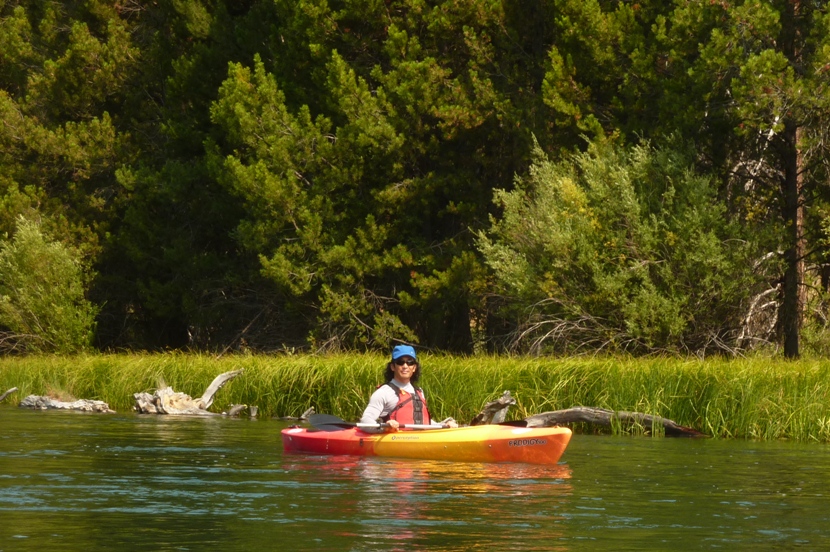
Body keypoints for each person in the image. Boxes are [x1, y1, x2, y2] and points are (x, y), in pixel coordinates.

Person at [360, 345, 457, 430]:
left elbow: (423, 422)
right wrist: (384, 427)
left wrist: (443, 425)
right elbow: (365, 420)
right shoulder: (384, 392)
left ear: (414, 368)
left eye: (410, 362)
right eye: (400, 362)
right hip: (395, 442)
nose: (405, 366)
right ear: (393, 367)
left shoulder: (419, 392)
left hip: (421, 442)